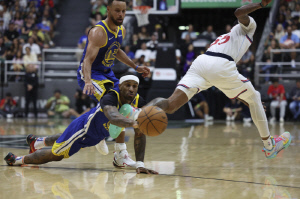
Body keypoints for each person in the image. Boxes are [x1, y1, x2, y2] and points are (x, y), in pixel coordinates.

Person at [146, 0, 291, 159]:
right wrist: (261, 4)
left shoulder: (226, 37)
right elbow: (239, 12)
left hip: (202, 63)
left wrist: (245, 99)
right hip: (219, 64)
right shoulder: (250, 26)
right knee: (255, 97)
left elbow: (223, 82)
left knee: (171, 104)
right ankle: (269, 146)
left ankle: (139, 113)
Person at [4, 75, 158, 175]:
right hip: (84, 131)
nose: (131, 89)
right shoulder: (111, 96)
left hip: (97, 133)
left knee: (63, 138)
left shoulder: (137, 100)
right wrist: (135, 123)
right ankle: (17, 160)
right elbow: (113, 117)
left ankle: (36, 142)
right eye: (127, 85)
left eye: (134, 86)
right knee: (56, 155)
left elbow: (141, 131)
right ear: (120, 86)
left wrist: (140, 164)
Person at [77, 0, 150, 167]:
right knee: (113, 101)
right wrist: (88, 81)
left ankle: (119, 154)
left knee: (125, 100)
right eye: (117, 11)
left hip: (106, 74)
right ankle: (103, 138)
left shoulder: (121, 30)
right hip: (91, 75)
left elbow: (116, 50)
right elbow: (87, 60)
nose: (121, 15)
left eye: (123, 11)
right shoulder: (98, 32)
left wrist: (136, 66)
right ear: (108, 9)